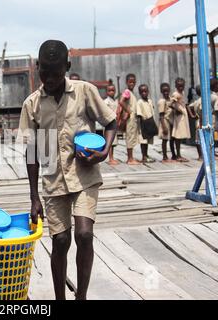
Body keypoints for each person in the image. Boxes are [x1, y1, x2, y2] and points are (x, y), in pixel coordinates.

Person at [18, 40, 116, 300]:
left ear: (67, 67)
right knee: (60, 241)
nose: (49, 78)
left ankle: (81, 295)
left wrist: (104, 150)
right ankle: (60, 296)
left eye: (55, 72)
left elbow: (111, 121)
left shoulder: (84, 92)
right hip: (53, 180)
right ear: (37, 68)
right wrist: (34, 197)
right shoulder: (32, 104)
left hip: (84, 175)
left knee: (84, 235)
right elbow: (32, 152)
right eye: (44, 72)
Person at [119, 74, 140, 164]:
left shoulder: (131, 93)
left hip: (133, 118)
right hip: (130, 118)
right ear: (127, 82)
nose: (132, 83)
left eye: (133, 82)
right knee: (130, 137)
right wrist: (129, 111)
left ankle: (131, 157)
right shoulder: (127, 92)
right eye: (130, 82)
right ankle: (130, 159)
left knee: (132, 137)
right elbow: (121, 101)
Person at [171, 78, 192, 162]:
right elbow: (170, 103)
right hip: (179, 116)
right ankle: (178, 155)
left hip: (183, 114)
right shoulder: (175, 94)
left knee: (180, 135)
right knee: (178, 136)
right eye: (179, 86)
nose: (181, 88)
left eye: (182, 86)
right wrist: (176, 109)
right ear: (176, 86)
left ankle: (178, 154)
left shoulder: (182, 93)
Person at [136, 84, 157, 163]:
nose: (144, 93)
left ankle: (146, 154)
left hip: (150, 122)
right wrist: (140, 127)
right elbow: (139, 115)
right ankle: (143, 156)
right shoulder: (139, 102)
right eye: (142, 92)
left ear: (148, 92)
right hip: (143, 123)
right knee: (143, 141)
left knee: (147, 140)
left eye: (145, 91)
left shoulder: (150, 101)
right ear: (139, 93)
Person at [157, 83, 175, 162]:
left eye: (167, 91)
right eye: (164, 91)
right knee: (165, 140)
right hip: (165, 121)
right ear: (161, 91)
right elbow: (161, 115)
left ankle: (173, 154)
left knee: (172, 139)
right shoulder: (162, 101)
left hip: (171, 121)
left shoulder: (170, 99)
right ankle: (164, 156)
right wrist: (164, 127)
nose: (166, 93)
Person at [104, 84, 119, 165]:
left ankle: (112, 157)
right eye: (109, 91)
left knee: (113, 142)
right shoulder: (106, 102)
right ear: (107, 92)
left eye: (113, 90)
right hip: (109, 123)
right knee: (110, 142)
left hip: (114, 123)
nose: (111, 92)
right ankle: (110, 158)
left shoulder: (114, 101)